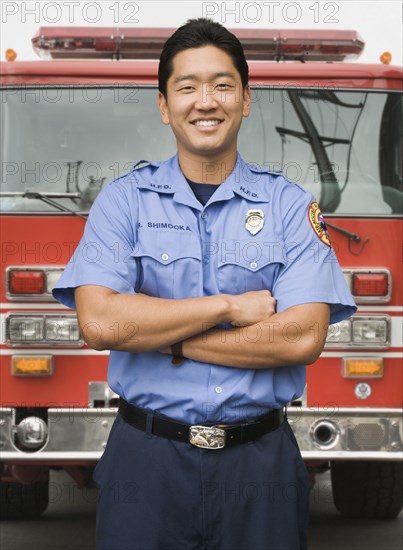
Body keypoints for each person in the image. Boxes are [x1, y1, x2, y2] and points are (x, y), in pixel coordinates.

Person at [53, 18, 356, 550]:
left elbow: (301, 338)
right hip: (145, 466)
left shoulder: (289, 206)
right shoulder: (123, 202)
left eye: (222, 85)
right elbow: (100, 322)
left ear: (245, 99)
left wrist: (163, 336)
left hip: (260, 469)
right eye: (187, 87)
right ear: (165, 106)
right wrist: (229, 306)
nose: (205, 101)